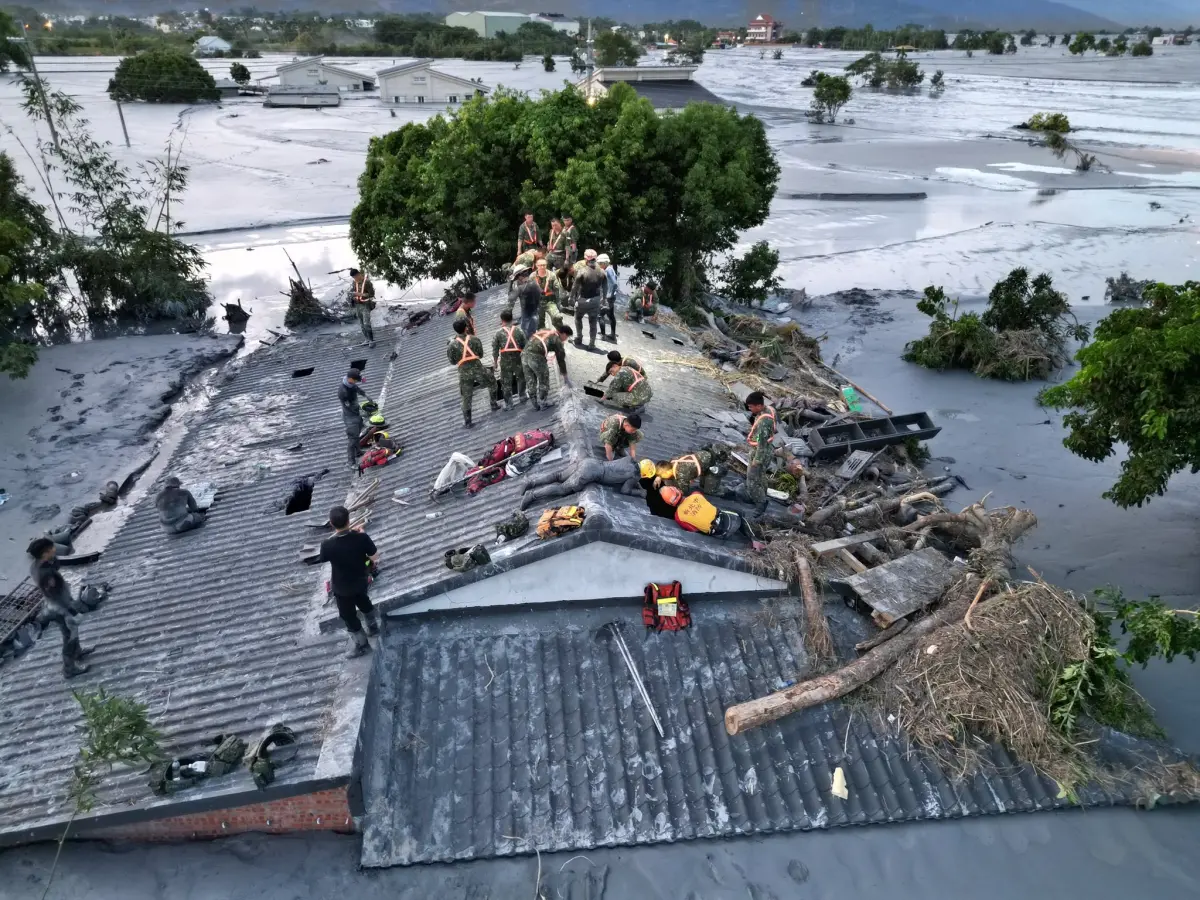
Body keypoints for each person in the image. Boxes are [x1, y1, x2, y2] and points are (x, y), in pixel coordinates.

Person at [317, 506, 380, 658]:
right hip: (360, 581)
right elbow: (374, 558)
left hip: (342, 588)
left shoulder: (327, 545)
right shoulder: (361, 538)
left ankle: (362, 646)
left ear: (332, 524)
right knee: (365, 603)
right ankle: (373, 628)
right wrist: (364, 561)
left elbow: (323, 558)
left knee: (349, 617)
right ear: (349, 520)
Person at [28, 537, 95, 678]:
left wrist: (52, 559)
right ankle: (69, 669)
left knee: (71, 631)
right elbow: (55, 596)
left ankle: (78, 652)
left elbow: (56, 566)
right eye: (52, 548)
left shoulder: (36, 565)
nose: (55, 549)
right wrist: (72, 611)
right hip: (60, 608)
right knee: (69, 636)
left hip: (56, 604)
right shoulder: (45, 574)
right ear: (45, 552)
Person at [519, 452, 643, 509]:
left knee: (559, 475)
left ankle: (531, 483)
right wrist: (641, 493)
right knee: (562, 489)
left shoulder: (629, 460)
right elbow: (625, 490)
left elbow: (625, 473)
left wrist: (636, 483)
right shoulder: (635, 476)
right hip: (590, 473)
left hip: (589, 462)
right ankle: (532, 496)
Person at [658, 487, 764, 548]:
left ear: (669, 504)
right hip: (729, 521)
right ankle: (754, 540)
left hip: (718, 533)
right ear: (679, 491)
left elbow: (694, 530)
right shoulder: (696, 494)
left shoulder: (678, 517)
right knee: (739, 514)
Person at [448, 318, 499, 427]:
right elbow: (480, 355)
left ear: (455, 330)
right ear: (466, 328)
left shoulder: (452, 345)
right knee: (492, 382)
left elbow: (452, 362)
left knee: (466, 396)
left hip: (464, 372)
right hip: (478, 368)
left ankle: (468, 421)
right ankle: (494, 404)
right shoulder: (474, 339)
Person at [738, 391, 777, 515]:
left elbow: (762, 444)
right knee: (761, 476)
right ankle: (762, 495)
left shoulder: (763, 423)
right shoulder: (770, 409)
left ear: (759, 406)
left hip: (761, 453)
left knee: (752, 479)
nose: (750, 409)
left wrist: (757, 460)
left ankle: (760, 503)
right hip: (767, 449)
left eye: (751, 407)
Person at [521, 321, 573, 411]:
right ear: (563, 334)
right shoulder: (557, 340)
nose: (566, 339)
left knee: (530, 380)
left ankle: (534, 403)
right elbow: (561, 360)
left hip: (524, 355)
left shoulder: (544, 330)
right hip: (536, 358)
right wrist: (565, 376)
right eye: (567, 337)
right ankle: (543, 403)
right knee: (543, 379)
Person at [571, 249, 607, 349]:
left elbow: (575, 286)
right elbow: (605, 287)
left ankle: (579, 337)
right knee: (593, 322)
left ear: (586, 259)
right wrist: (604, 300)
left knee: (578, 318)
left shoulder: (582, 271)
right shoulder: (602, 271)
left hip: (582, 300)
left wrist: (571, 298)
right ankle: (592, 343)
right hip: (595, 300)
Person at [491, 309, 527, 409]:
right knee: (521, 377)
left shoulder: (498, 333)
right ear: (512, 318)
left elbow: (495, 350)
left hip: (505, 361)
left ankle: (509, 404)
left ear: (502, 320)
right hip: (518, 358)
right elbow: (525, 346)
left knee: (506, 382)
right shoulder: (519, 330)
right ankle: (523, 396)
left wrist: (495, 363)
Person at [339, 368, 371, 468]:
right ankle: (351, 462)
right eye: (356, 380)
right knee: (352, 439)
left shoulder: (351, 384)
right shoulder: (343, 392)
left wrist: (366, 395)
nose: (357, 381)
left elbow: (357, 388)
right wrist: (363, 412)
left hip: (356, 414)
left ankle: (358, 452)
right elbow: (349, 407)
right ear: (351, 379)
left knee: (358, 433)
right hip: (350, 417)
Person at [530, 257, 564, 329]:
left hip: (550, 301)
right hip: (538, 302)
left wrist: (558, 303)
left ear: (546, 265)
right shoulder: (532, 276)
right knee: (539, 323)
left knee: (557, 317)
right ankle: (543, 337)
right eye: (540, 265)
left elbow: (557, 289)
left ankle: (562, 333)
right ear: (536, 265)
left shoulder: (551, 275)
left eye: (544, 265)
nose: (542, 267)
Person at [349, 268, 376, 347]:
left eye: (356, 276)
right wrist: (353, 295)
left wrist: (361, 295)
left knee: (366, 323)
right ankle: (366, 339)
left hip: (365, 305)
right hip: (358, 305)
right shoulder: (354, 282)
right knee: (361, 324)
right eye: (353, 277)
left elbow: (371, 295)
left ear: (359, 274)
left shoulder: (367, 282)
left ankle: (371, 341)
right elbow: (354, 291)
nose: (355, 279)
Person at [596, 253, 619, 341]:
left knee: (600, 315)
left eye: (600, 263)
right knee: (610, 315)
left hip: (608, 298)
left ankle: (603, 335)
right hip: (611, 297)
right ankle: (612, 335)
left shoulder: (608, 270)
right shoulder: (610, 269)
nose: (599, 265)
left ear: (605, 263)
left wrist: (607, 296)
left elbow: (614, 284)